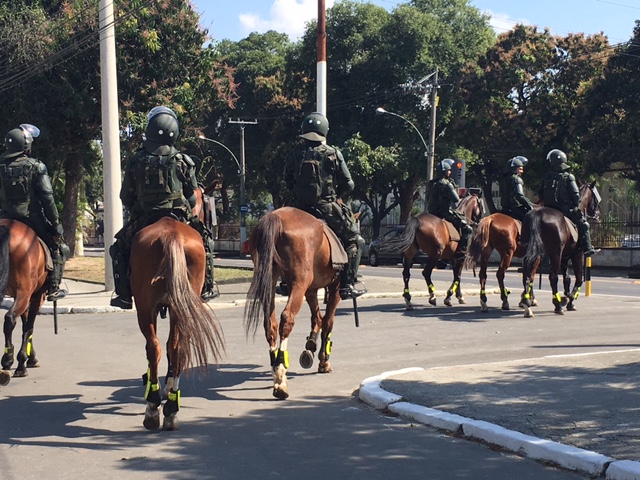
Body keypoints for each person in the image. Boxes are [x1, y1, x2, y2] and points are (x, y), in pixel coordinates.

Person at [109, 106, 218, 309]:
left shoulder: (137, 160)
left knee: (118, 249)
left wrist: (136, 208)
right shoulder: (183, 161)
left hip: (144, 216)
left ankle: (123, 294)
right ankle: (207, 286)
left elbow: (125, 196)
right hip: (178, 215)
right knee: (206, 243)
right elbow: (192, 197)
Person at [284, 112, 366, 300]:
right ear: (324, 131)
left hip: (299, 208)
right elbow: (349, 184)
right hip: (326, 207)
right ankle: (347, 283)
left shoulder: (295, 153)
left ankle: (283, 281)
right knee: (355, 240)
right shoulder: (333, 153)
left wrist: (297, 194)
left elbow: (287, 180)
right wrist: (339, 197)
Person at [0, 124, 68, 300]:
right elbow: (47, 198)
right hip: (31, 218)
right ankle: (53, 287)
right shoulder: (36, 166)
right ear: (25, 146)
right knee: (59, 248)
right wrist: (55, 224)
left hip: (5, 217)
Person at [540, 148, 597, 257]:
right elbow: (576, 196)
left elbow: (540, 194)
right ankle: (588, 248)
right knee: (584, 225)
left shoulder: (546, 178)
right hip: (564, 210)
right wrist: (575, 206)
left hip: (547, 210)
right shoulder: (569, 177)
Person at [426, 159, 472, 260]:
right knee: (467, 228)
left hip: (431, 213)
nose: (450, 172)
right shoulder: (447, 184)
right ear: (444, 172)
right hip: (444, 212)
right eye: (449, 171)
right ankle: (462, 252)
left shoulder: (431, 183)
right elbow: (455, 199)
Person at [499, 155, 533, 222]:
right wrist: (530, 207)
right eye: (520, 169)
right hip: (516, 209)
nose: (522, 171)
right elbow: (519, 195)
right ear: (514, 169)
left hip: (504, 208)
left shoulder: (503, 179)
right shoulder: (516, 179)